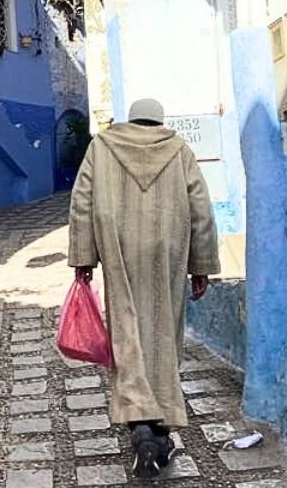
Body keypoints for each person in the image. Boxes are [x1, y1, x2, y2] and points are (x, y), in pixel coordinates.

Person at [68, 98, 220, 479]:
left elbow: (82, 203)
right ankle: (160, 428)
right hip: (167, 252)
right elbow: (200, 207)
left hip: (119, 250)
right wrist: (201, 265)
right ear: (159, 120)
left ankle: (139, 426)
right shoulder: (179, 150)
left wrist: (84, 258)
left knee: (126, 331)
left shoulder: (101, 148)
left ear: (129, 118)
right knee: (163, 335)